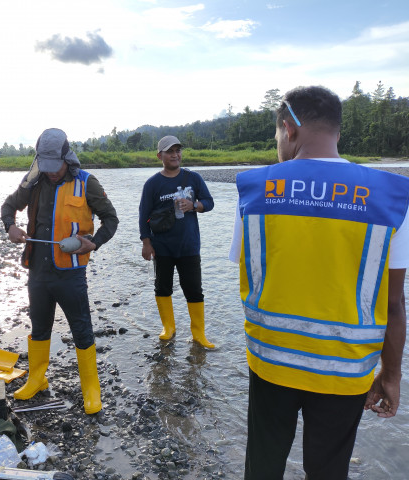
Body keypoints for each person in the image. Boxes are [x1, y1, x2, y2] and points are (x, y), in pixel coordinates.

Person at [229, 86, 409, 479]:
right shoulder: (391, 197)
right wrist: (391, 376)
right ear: (337, 133)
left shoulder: (255, 190)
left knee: (263, 463)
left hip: (271, 364)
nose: (277, 143)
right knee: (328, 470)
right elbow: (394, 304)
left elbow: (249, 273)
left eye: (276, 134)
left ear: (288, 127)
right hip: (345, 369)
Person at [0, 128, 118, 414]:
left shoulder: (86, 183)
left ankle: (91, 388)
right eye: (46, 167)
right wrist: (11, 226)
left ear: (68, 157)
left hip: (70, 273)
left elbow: (111, 220)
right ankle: (37, 379)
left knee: (81, 329)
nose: (51, 173)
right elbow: (8, 206)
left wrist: (92, 243)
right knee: (40, 326)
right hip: (37, 271)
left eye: (56, 167)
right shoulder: (33, 180)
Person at [138, 136, 215, 347]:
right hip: (162, 247)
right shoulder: (153, 184)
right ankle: (168, 328)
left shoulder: (193, 178)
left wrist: (194, 205)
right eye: (169, 151)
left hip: (189, 246)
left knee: (194, 289)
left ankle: (199, 334)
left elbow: (209, 202)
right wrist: (146, 243)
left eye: (178, 150)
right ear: (159, 155)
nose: (175, 155)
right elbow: (143, 214)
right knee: (163, 287)